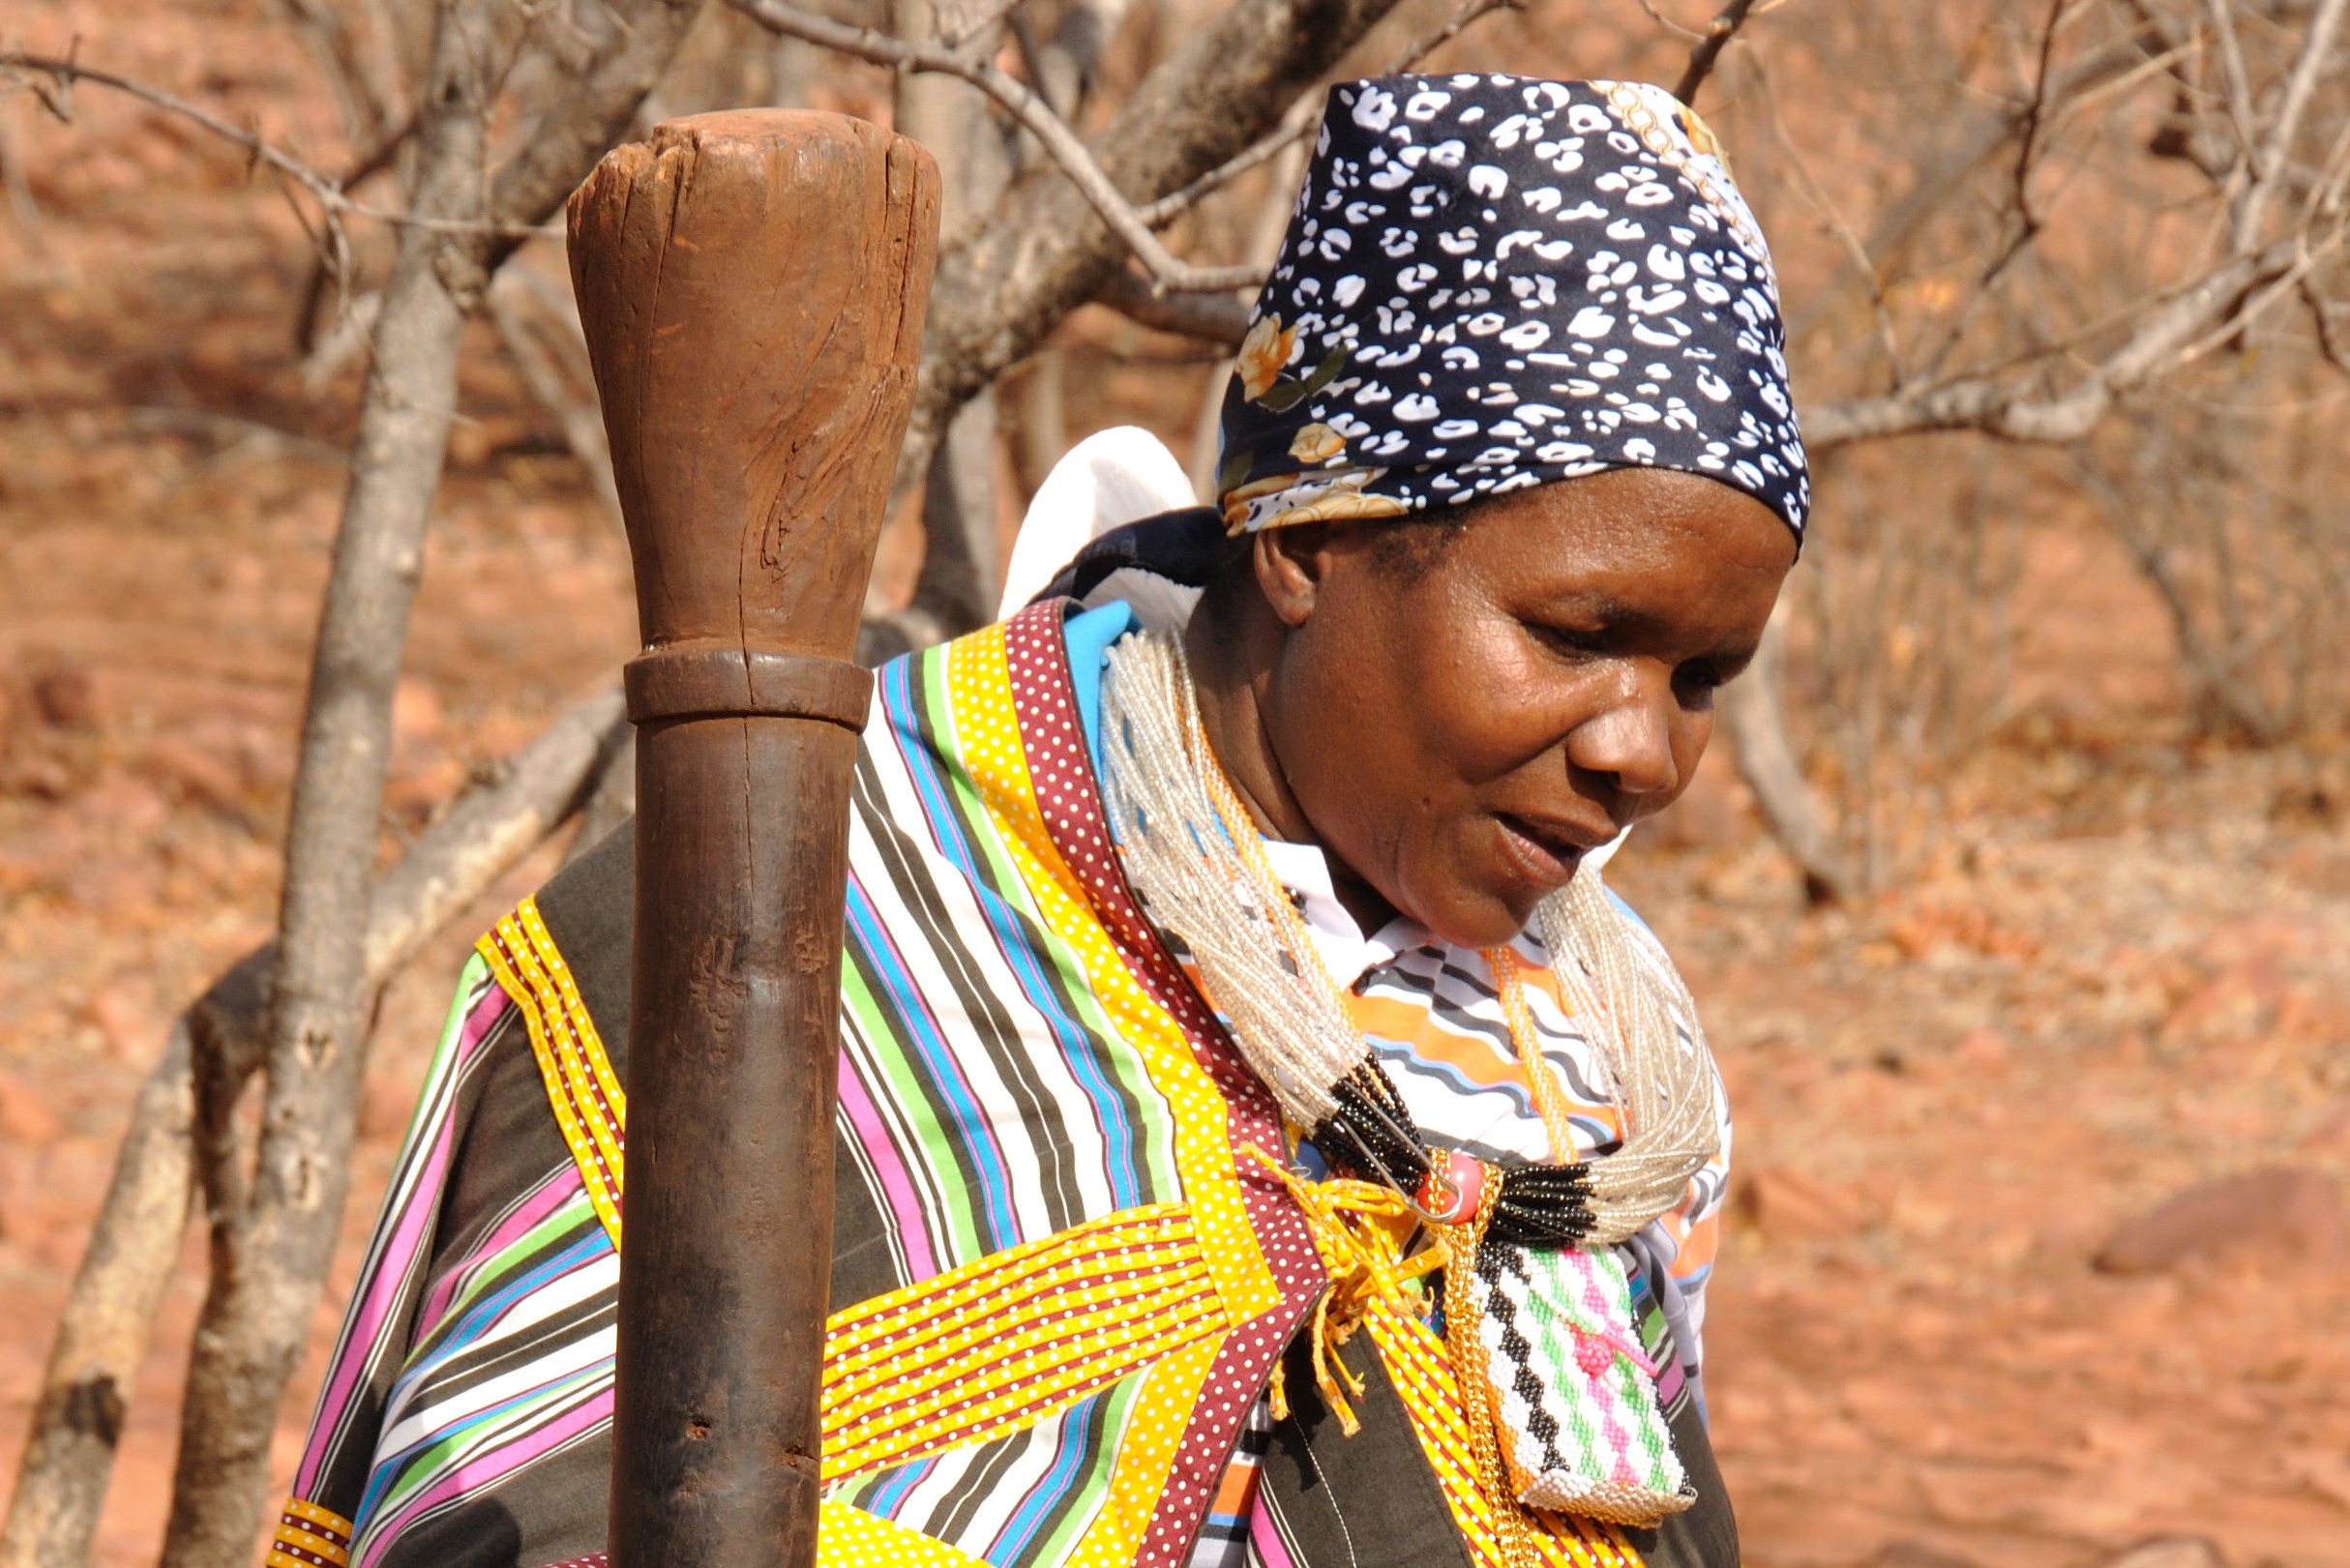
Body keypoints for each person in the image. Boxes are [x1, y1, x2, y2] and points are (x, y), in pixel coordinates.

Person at [266, 71, 1803, 1568]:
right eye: (1577, 631)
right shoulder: (805, 903)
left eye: (1700, 677)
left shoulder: (1613, 1075)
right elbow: (506, 1507)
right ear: (1308, 546)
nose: (1640, 752)